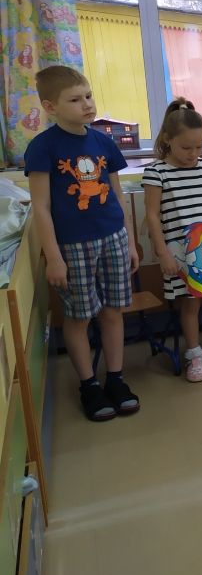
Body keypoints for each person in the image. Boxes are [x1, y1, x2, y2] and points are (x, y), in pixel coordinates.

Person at [25, 66, 141, 421]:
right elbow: (41, 208)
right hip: (73, 246)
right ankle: (89, 385)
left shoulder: (104, 142)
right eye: (75, 100)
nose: (87, 104)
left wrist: (130, 242)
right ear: (50, 107)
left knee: (113, 311)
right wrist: (53, 257)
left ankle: (116, 379)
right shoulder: (42, 147)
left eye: (88, 96)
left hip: (114, 238)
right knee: (78, 317)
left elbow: (117, 195)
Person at [143, 99, 202, 383]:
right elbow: (152, 215)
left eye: (199, 147)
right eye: (186, 147)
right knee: (191, 304)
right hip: (181, 251)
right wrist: (162, 253)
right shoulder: (157, 172)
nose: (193, 154)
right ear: (167, 139)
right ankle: (194, 356)